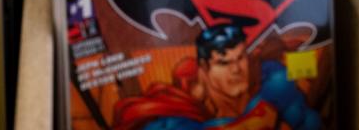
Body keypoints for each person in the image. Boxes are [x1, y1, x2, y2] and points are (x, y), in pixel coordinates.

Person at [111, 24, 321, 130]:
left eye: (240, 58)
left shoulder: (272, 83)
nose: (236, 70)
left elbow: (307, 122)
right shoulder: (177, 120)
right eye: (223, 63)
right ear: (204, 68)